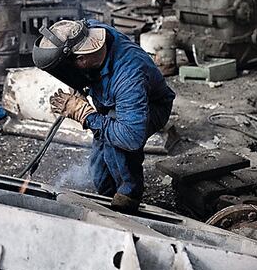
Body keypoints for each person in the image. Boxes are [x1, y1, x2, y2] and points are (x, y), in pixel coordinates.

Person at [32, 19, 175, 214]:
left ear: (81, 60)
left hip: (149, 107)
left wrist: (85, 114)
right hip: (112, 101)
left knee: (117, 148)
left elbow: (131, 137)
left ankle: (128, 198)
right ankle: (107, 197)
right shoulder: (89, 31)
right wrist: (79, 85)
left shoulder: (129, 76)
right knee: (98, 168)